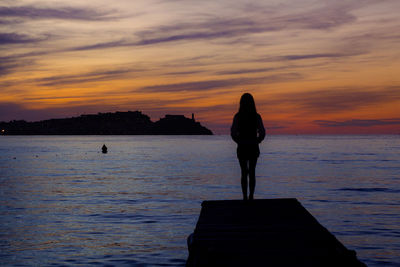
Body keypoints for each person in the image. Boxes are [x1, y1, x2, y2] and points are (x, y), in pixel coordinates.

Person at [231, 93, 265, 201]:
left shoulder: (238, 116)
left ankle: (245, 197)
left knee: (244, 172)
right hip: (253, 147)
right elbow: (262, 132)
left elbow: (233, 132)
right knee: (252, 171)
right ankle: (251, 196)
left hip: (242, 147)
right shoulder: (256, 116)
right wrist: (257, 141)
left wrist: (238, 141)